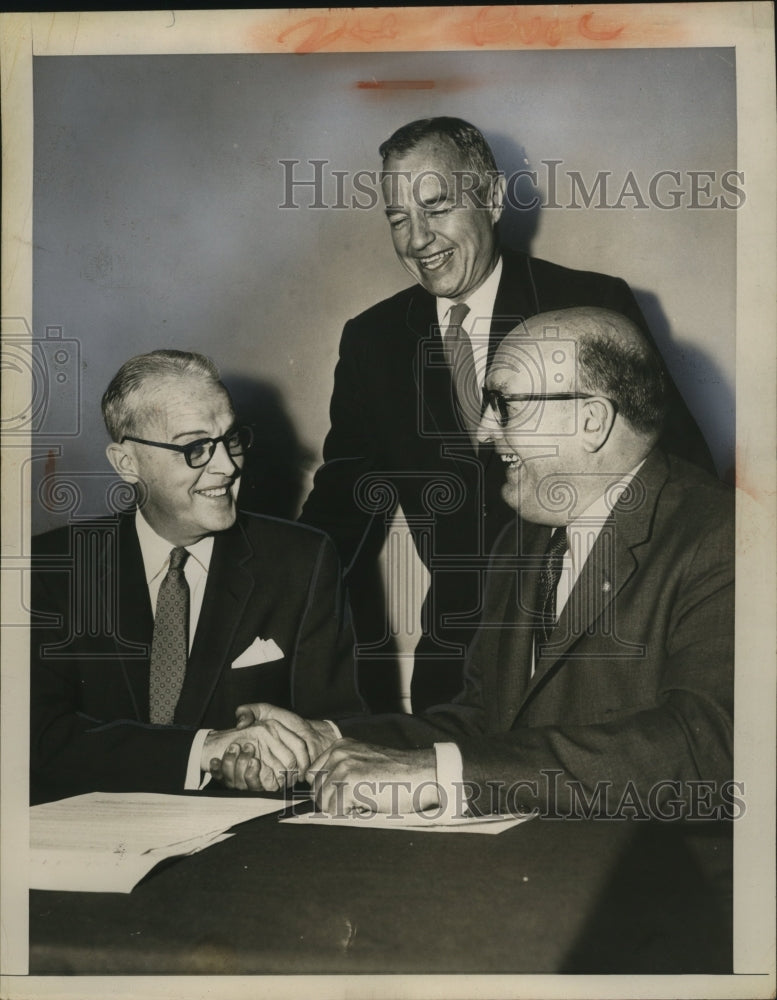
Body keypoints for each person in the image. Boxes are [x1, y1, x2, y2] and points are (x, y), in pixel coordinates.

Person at [220, 308, 733, 819]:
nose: (485, 432)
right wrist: (323, 738)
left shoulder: (725, 537)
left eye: (503, 403)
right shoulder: (524, 539)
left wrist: (444, 776)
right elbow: (482, 723)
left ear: (591, 421)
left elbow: (705, 747)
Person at [299, 116, 713, 714]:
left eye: (436, 207)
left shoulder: (591, 304)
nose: (417, 239)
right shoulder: (373, 341)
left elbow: (680, 475)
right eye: (397, 218)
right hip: (456, 669)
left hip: (596, 649)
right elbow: (340, 511)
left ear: (492, 199)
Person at [30, 350, 362, 804]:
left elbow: (339, 731)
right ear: (127, 463)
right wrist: (203, 750)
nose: (227, 466)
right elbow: (35, 737)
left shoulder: (302, 561)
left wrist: (279, 763)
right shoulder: (54, 568)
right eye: (195, 447)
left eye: (232, 439)